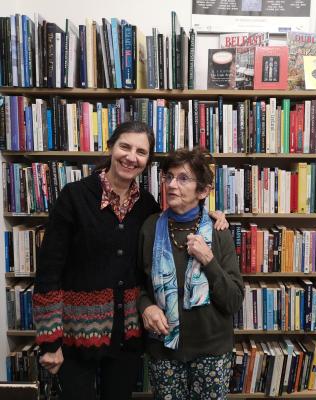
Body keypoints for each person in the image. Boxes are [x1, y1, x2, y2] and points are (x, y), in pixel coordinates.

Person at [32, 122, 227, 400]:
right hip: (76, 338)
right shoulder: (74, 197)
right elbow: (49, 272)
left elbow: (178, 222)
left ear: (147, 161)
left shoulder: (147, 206)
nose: (131, 157)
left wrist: (213, 216)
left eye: (141, 151)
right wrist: (50, 341)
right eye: (125, 146)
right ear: (111, 147)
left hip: (127, 339)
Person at [137, 147, 244, 400]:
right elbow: (137, 283)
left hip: (212, 351)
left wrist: (209, 260)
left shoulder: (219, 230)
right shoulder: (150, 227)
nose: (172, 185)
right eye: (168, 177)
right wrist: (145, 306)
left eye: (183, 178)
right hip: (163, 349)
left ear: (203, 190)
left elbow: (233, 300)